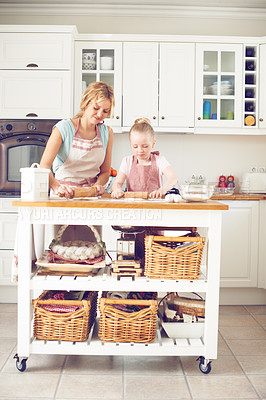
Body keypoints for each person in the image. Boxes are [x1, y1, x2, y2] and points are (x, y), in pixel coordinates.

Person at [40, 81, 114, 198]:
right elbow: (44, 166)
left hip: (91, 196)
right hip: (63, 194)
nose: (100, 114)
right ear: (86, 102)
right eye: (96, 108)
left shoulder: (107, 132)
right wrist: (56, 187)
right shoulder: (63, 128)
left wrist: (98, 185)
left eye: (105, 111)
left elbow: (105, 171)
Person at [111, 117, 178, 199]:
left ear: (153, 144)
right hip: (132, 206)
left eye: (145, 146)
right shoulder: (127, 161)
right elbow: (117, 182)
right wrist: (117, 189)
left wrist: (161, 190)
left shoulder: (159, 160)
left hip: (154, 205)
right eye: (135, 146)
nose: (140, 150)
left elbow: (173, 178)